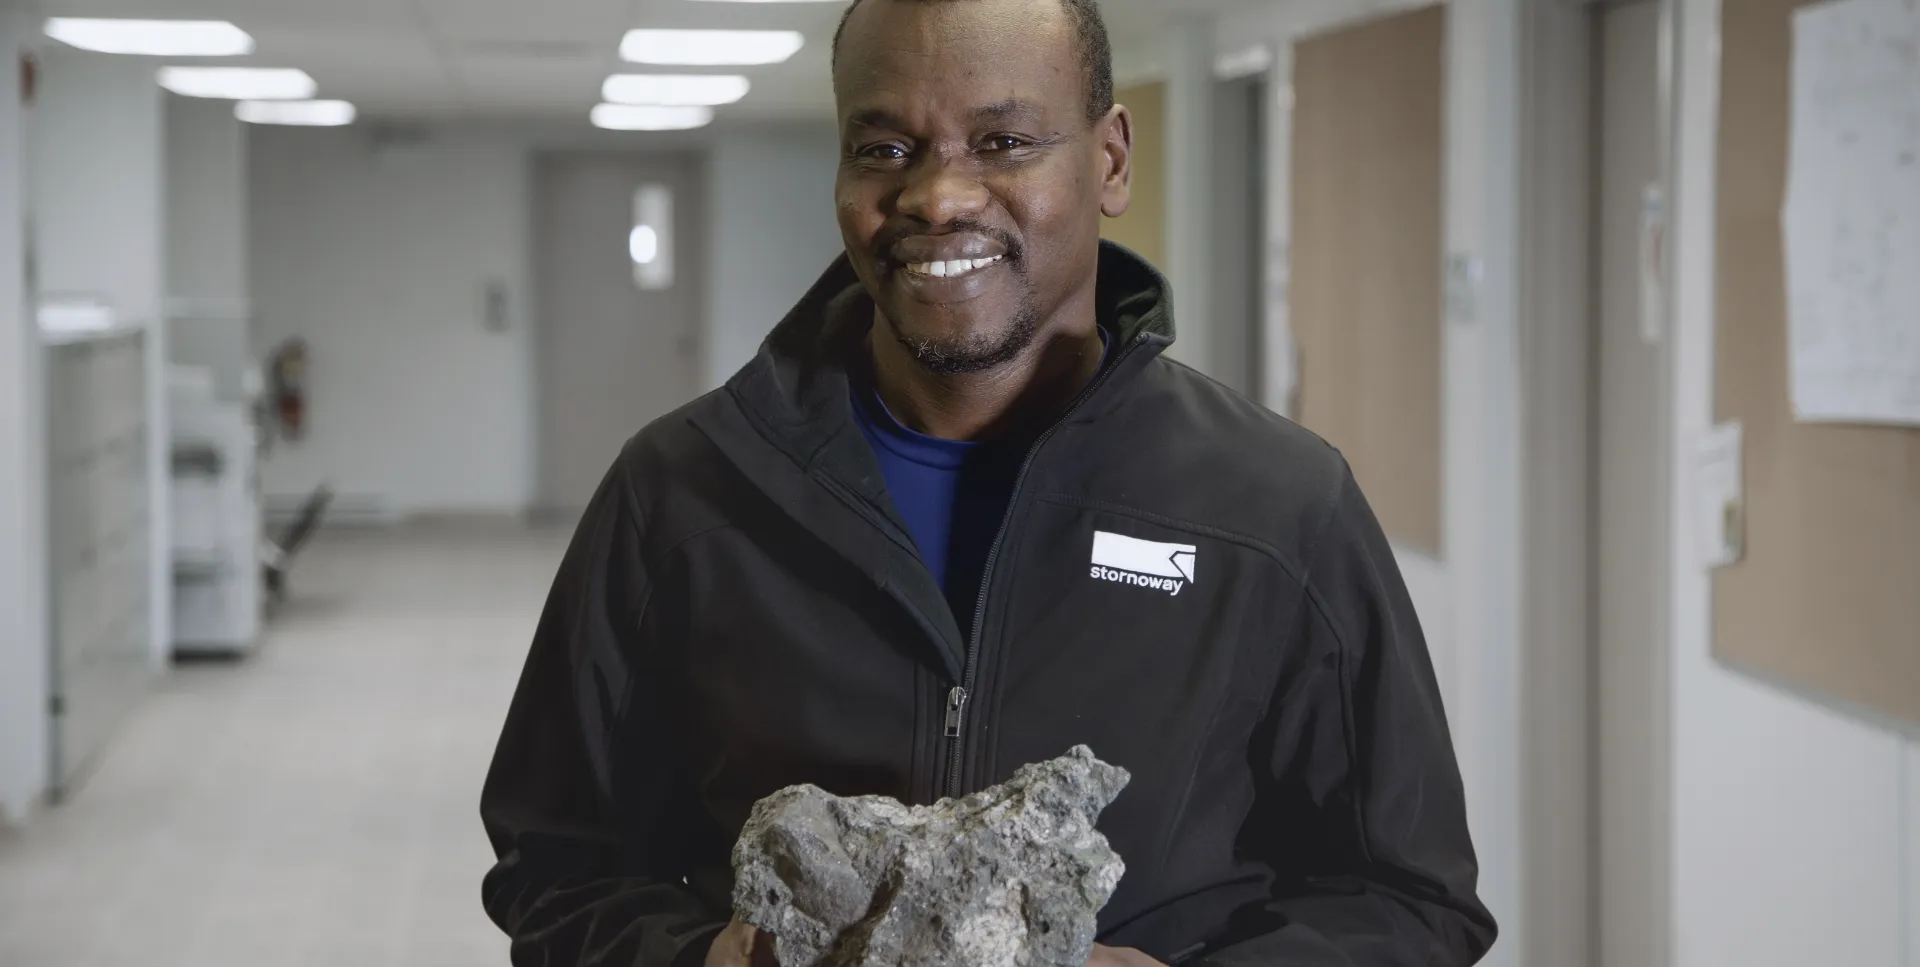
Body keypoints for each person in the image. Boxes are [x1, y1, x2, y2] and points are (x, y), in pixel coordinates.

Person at [479, 0, 1497, 964]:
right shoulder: (681, 492)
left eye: (1003, 141)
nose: (938, 197)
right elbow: (554, 866)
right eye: (885, 149)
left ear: (1110, 160)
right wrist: (699, 958)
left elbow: (1413, 900)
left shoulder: (1276, 507)